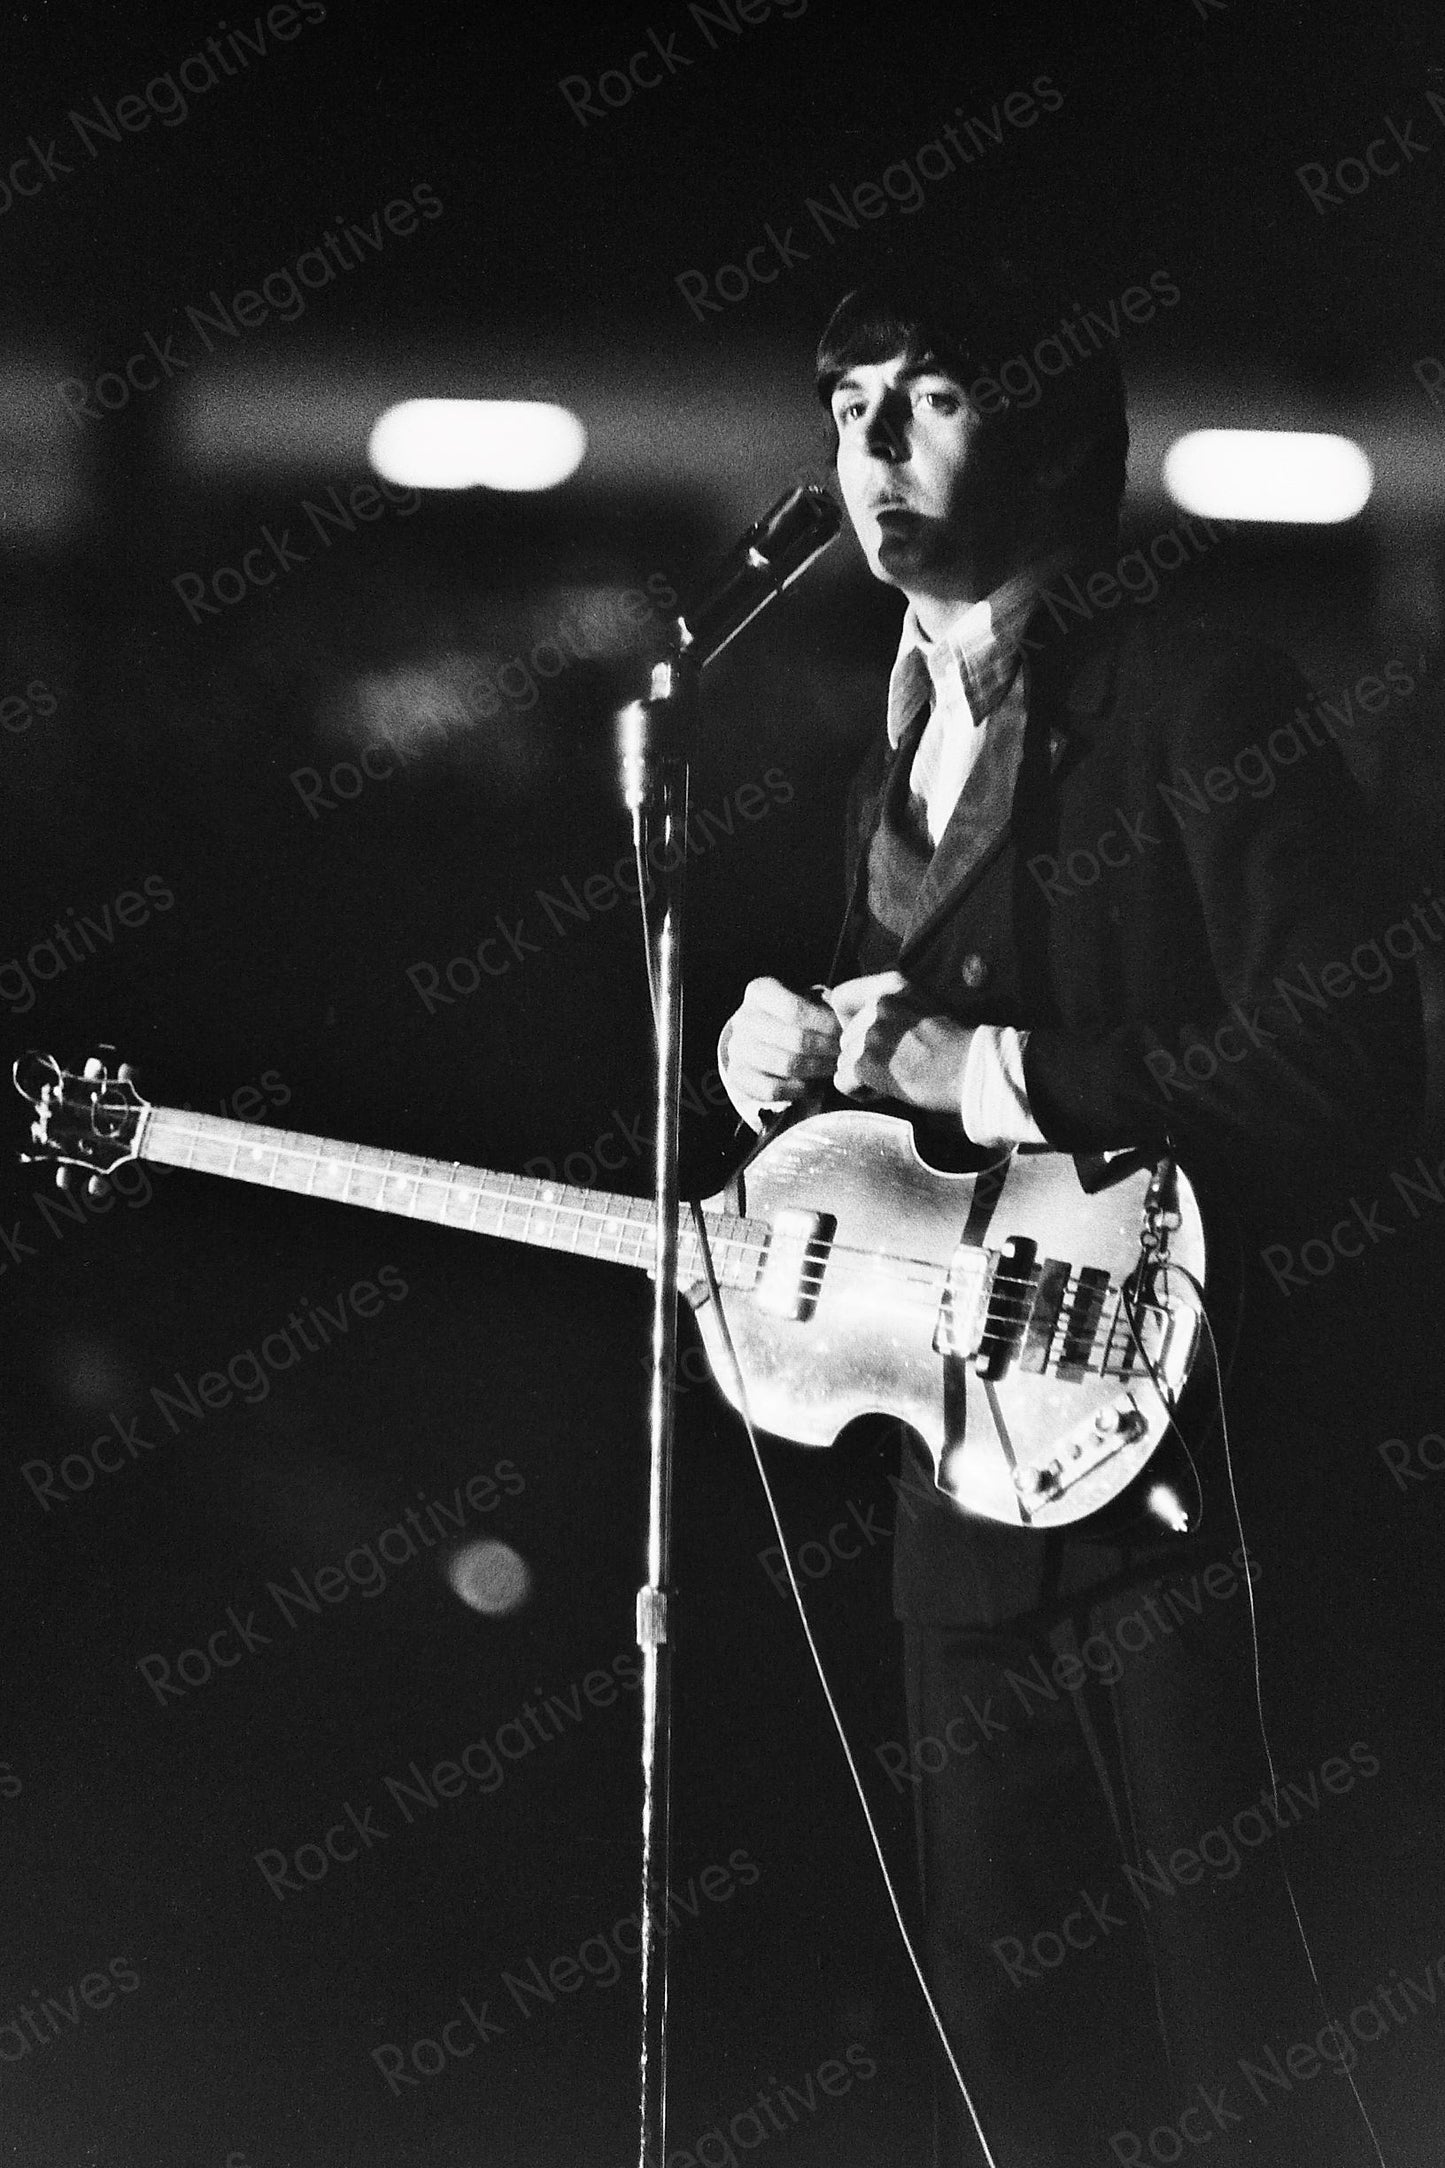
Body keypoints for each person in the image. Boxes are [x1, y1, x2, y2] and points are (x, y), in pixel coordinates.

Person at [717, 259, 1423, 2165]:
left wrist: (989, 1069)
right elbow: (928, 1140)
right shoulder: (891, 744)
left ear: (1049, 428)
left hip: (1197, 1497)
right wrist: (807, 1093)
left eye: (925, 391)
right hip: (969, 1512)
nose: (863, 441)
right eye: (842, 393)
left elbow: (1342, 1067)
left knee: (1255, 2047)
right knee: (1023, 2062)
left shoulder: (1200, 689)